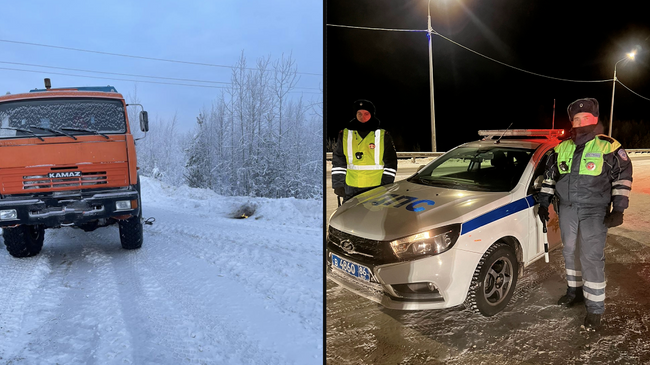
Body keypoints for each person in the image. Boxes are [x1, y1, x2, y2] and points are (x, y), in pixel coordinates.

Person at [538, 97, 633, 331]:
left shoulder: (608, 146)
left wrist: (619, 208)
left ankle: (595, 308)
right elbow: (550, 177)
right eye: (576, 119)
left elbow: (622, 178)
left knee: (591, 257)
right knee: (570, 252)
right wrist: (543, 202)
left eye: (586, 118)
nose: (581, 122)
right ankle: (575, 291)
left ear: (595, 119)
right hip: (567, 208)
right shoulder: (562, 148)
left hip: (595, 210)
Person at [332, 99, 398, 203]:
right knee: (350, 218)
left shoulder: (382, 135)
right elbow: (339, 161)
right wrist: (338, 184)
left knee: (373, 218)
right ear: (355, 114)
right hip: (351, 188)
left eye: (366, 113)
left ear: (372, 114)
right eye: (359, 113)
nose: (363, 117)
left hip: (376, 188)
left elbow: (391, 162)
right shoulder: (345, 134)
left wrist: (386, 184)